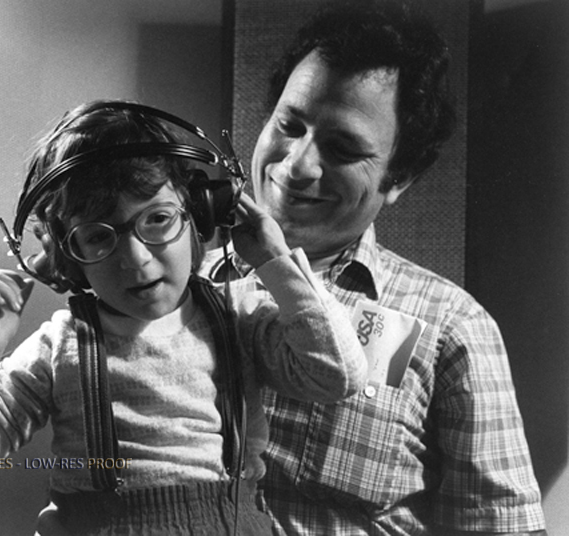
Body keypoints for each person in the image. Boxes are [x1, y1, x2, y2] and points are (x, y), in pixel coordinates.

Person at [0, 100, 367, 535]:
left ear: (200, 216)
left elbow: (337, 375)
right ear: (69, 255)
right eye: (98, 236)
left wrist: (275, 259)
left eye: (157, 219)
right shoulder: (58, 348)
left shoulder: (239, 318)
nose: (135, 258)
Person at [201, 1, 547, 534]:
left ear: (399, 177)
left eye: (343, 149)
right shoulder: (178, 290)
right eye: (289, 125)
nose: (296, 165)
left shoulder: (451, 328)